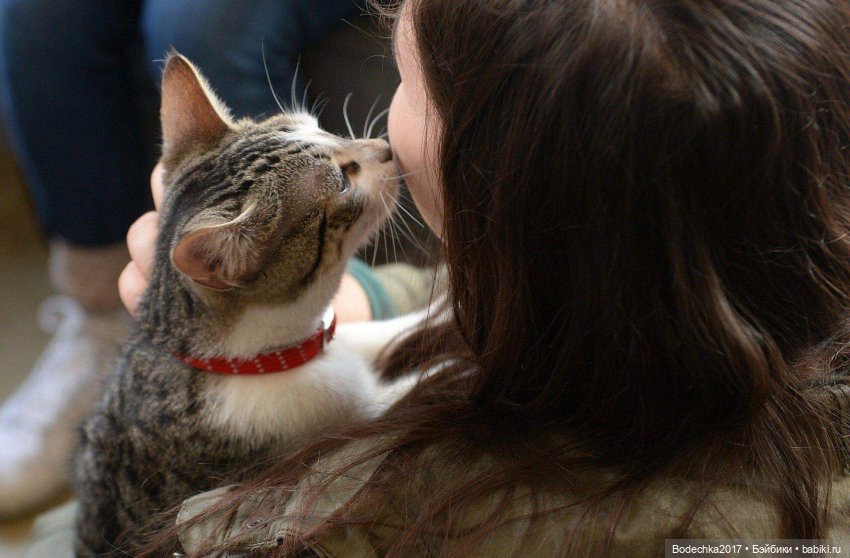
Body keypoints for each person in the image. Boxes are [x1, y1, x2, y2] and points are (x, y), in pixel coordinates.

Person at [119, 0, 850, 555]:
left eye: (404, 81)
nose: (375, 134)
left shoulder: (375, 513)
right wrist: (362, 298)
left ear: (502, 186)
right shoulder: (735, 270)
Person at [0, 0, 434, 519]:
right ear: (230, 264)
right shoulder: (279, 415)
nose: (375, 147)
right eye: (343, 173)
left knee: (206, 22)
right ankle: (97, 318)